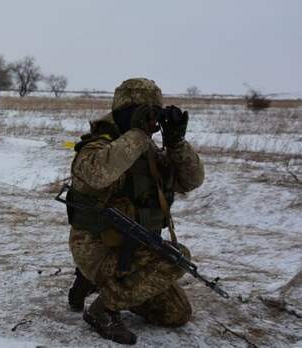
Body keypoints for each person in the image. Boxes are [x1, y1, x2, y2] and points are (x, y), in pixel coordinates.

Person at [66, 78, 205, 345]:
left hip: (135, 248)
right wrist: (138, 135)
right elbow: (96, 173)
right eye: (146, 112)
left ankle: (96, 284)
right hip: (98, 247)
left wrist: (177, 143)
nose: (152, 121)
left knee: (176, 313)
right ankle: (103, 308)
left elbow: (191, 180)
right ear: (125, 110)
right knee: (177, 258)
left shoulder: (148, 152)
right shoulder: (98, 144)